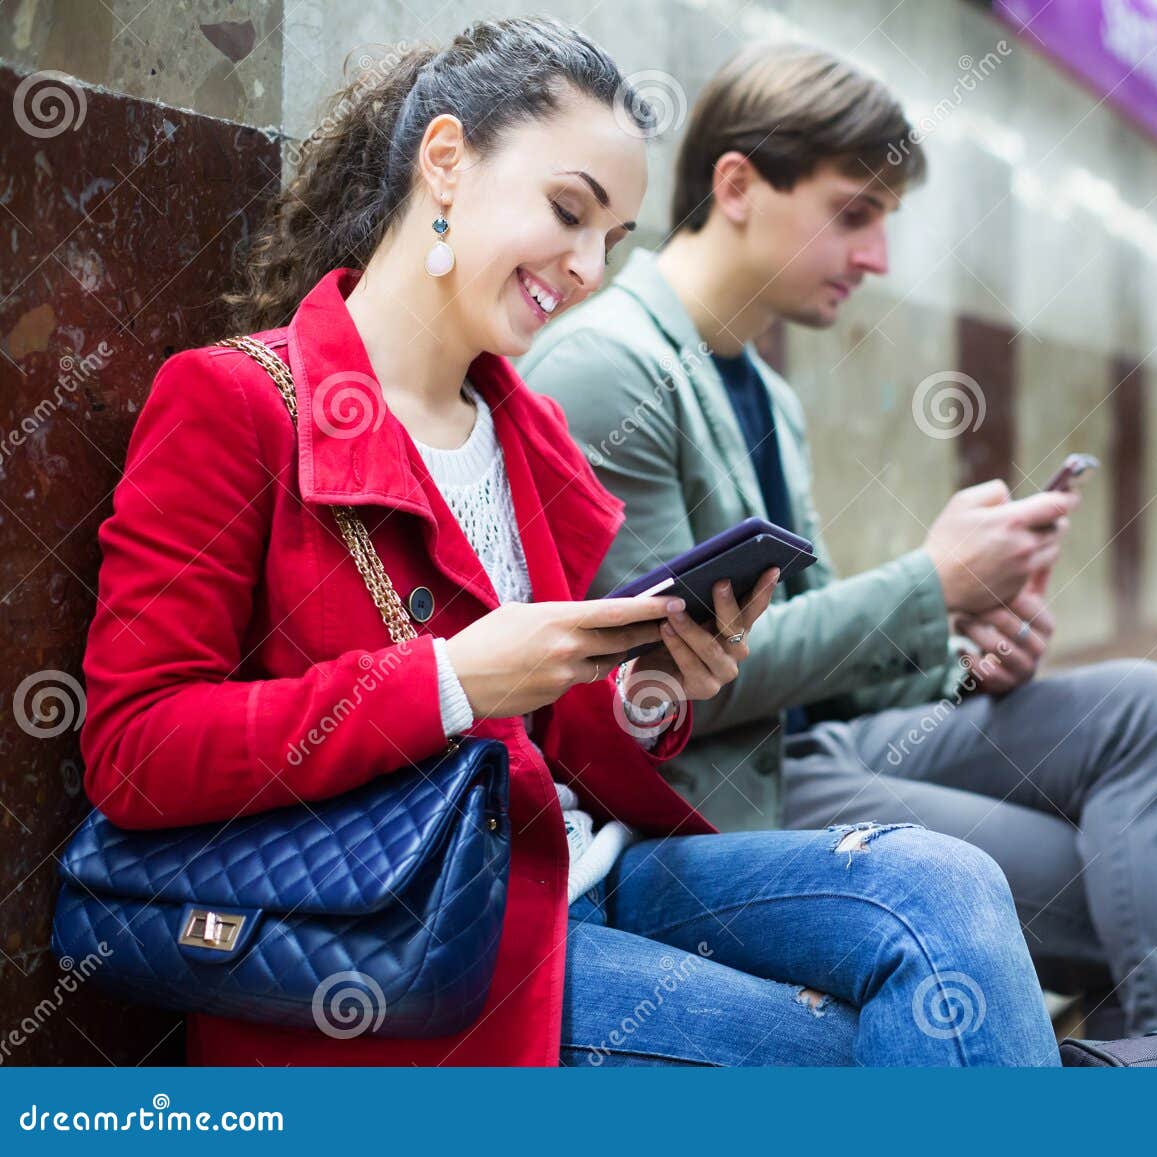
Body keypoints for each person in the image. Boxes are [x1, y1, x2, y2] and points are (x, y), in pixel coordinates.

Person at [78, 18, 1062, 1067]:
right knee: (850, 1046)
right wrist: (451, 679)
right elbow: (136, 751)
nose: (588, 267)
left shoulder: (527, 433)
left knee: (946, 882)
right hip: (406, 934)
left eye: (614, 237)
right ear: (446, 159)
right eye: (567, 211)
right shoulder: (234, 402)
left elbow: (564, 734)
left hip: (588, 869)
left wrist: (653, 687)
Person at [522, 42, 1157, 1036]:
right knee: (1154, 900)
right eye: (853, 213)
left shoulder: (765, 394)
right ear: (736, 184)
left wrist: (955, 655)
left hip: (810, 738)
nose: (877, 258)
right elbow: (673, 682)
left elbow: (814, 649)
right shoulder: (609, 370)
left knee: (1147, 706)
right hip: (722, 785)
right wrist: (931, 581)